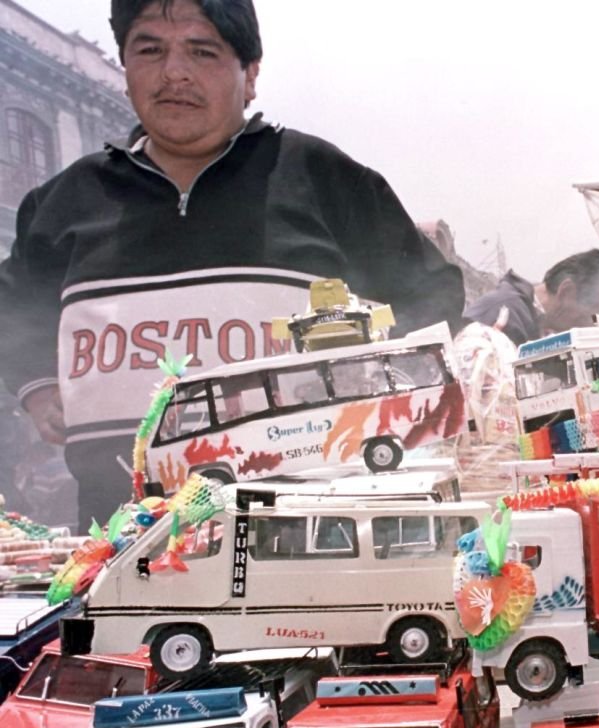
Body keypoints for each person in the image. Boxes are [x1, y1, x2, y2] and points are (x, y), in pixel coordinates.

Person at [0, 0, 464, 530]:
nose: (174, 72)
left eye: (203, 51)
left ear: (250, 75)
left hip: (305, 531)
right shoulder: (65, 201)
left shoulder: (322, 178)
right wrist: (36, 386)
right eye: (149, 49)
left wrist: (368, 387)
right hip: (120, 535)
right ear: (125, 65)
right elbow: (14, 307)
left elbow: (432, 292)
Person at [454, 249, 599, 498]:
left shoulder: (524, 317)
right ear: (566, 291)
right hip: (484, 482)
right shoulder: (501, 319)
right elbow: (488, 415)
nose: (591, 320)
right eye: (592, 307)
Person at [461, 249, 599, 346]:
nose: (589, 326)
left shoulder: (528, 320)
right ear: (566, 292)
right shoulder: (502, 314)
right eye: (587, 317)